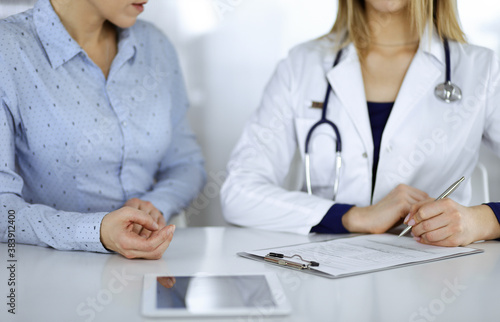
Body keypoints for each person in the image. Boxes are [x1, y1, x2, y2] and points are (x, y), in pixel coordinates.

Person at [221, 0, 500, 246]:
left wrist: (483, 220)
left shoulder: (483, 70)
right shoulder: (302, 65)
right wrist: (354, 216)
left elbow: (481, 222)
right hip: (326, 277)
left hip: (437, 277)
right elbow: (239, 192)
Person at [0, 0, 206, 259]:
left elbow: (187, 163)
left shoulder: (155, 44)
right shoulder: (8, 49)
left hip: (154, 269)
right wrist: (97, 232)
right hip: (53, 277)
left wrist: (157, 205)